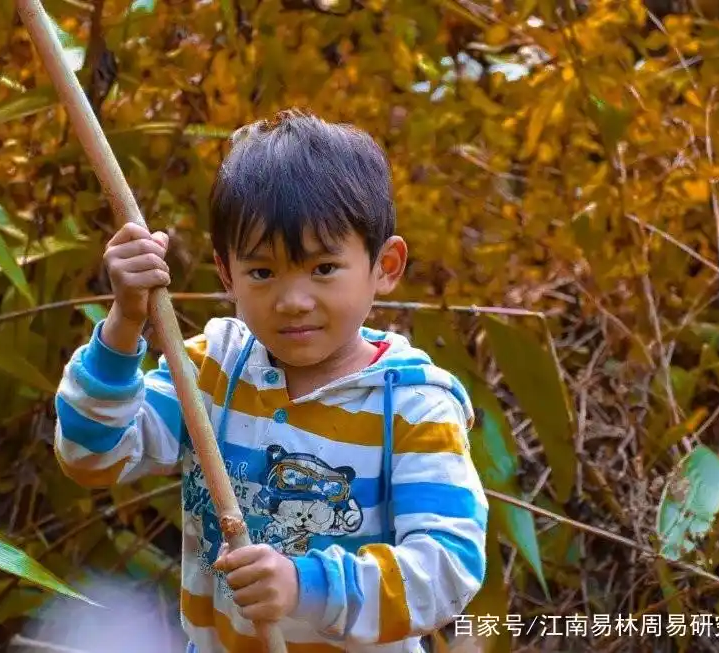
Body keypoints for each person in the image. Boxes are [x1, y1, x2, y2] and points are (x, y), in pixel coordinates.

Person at [53, 109, 489, 652]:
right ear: (226, 272)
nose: (293, 301)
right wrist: (123, 323)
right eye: (262, 272)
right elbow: (92, 457)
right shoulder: (214, 371)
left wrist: (304, 586)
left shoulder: (413, 407)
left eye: (324, 268)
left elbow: (449, 569)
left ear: (386, 264)